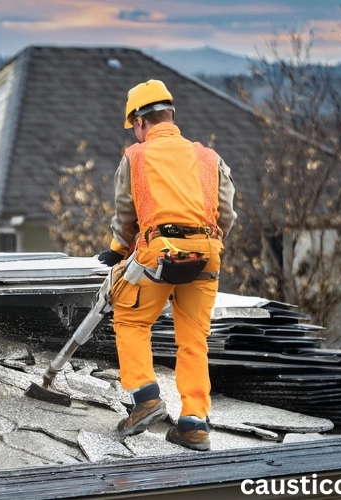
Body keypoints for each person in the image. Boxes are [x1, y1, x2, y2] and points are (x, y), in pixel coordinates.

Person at [98, 79, 237, 451]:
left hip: (159, 251)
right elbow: (227, 212)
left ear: (140, 122)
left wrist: (116, 249)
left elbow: (126, 212)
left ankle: (145, 400)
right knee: (194, 339)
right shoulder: (209, 157)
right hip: (206, 249)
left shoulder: (136, 156)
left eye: (135, 129)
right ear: (170, 116)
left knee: (130, 318)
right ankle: (193, 424)